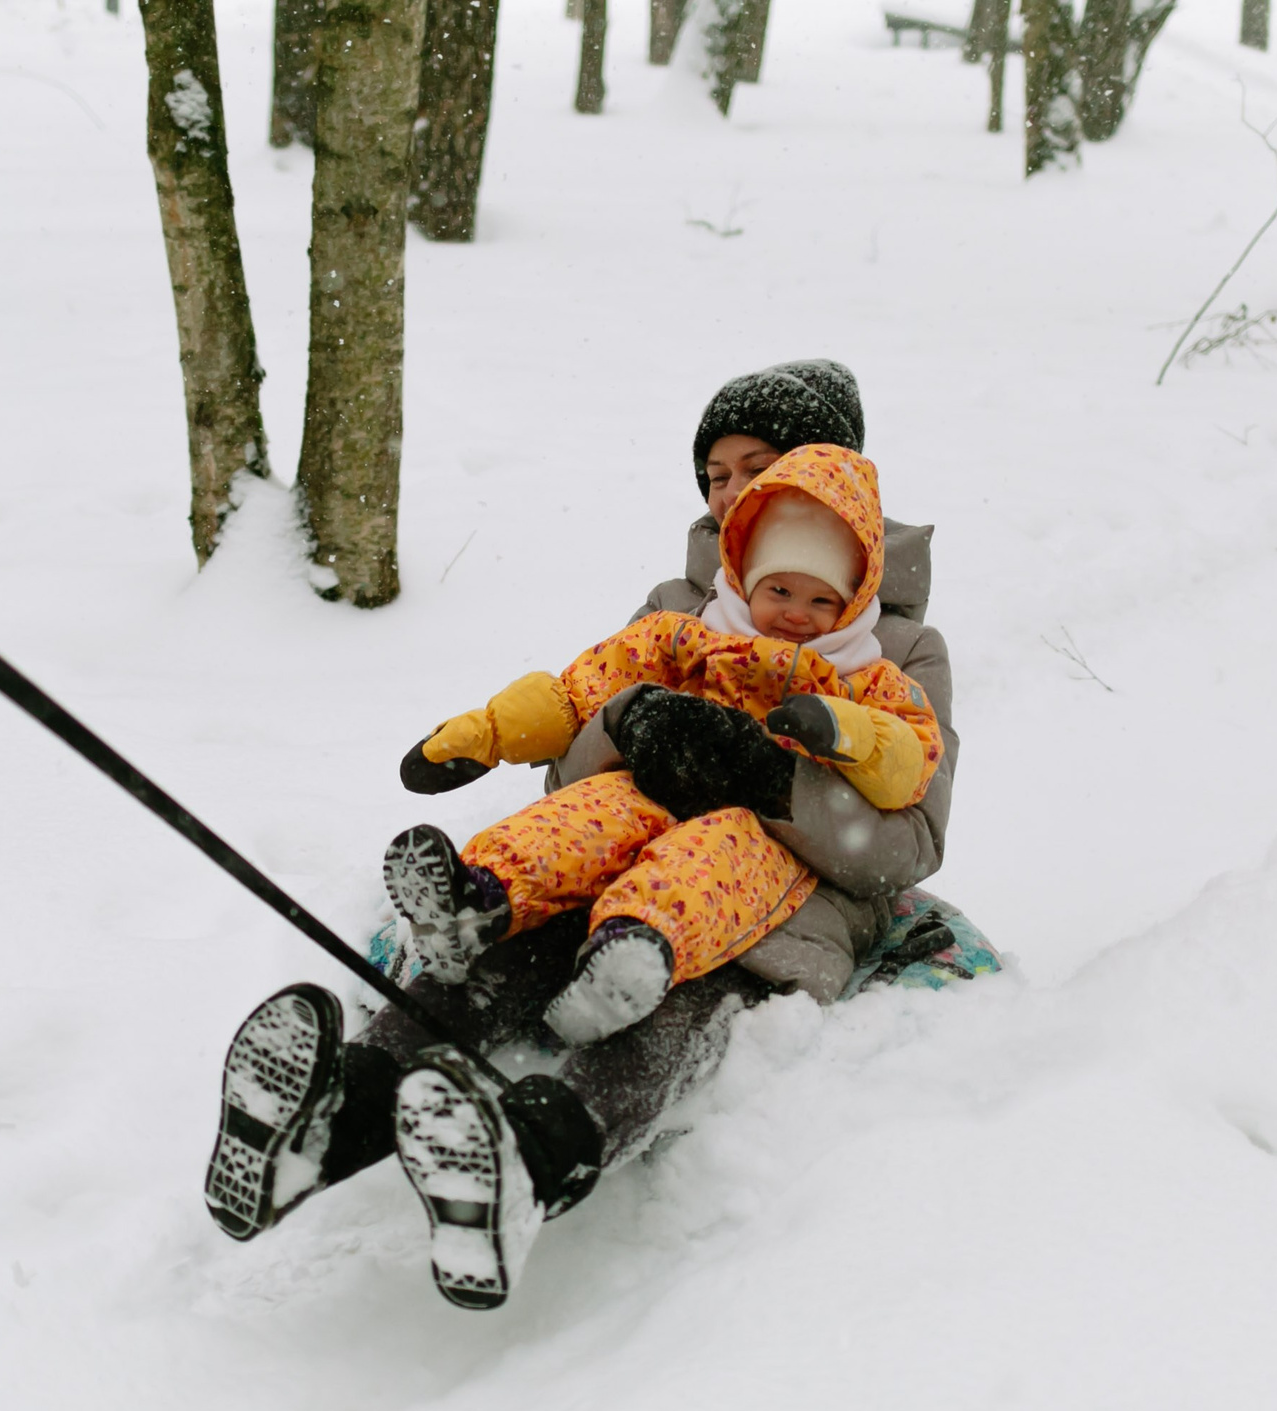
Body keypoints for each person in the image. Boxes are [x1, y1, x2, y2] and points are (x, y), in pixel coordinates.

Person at [202, 360, 961, 1312]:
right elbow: (572, 762)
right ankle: (330, 1122)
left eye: (752, 466)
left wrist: (765, 776)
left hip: (772, 905)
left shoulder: (898, 653)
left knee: (677, 1003)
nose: (725, 490)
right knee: (510, 950)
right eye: (714, 472)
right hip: (624, 858)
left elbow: (907, 843)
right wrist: (638, 727)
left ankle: (536, 1158)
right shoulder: (680, 611)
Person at [386, 442, 942, 1047]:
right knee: (590, 812)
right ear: (745, 571)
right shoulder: (686, 632)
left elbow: (909, 760)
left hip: (761, 833)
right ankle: (476, 897)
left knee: (713, 857)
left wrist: (839, 733)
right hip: (651, 796)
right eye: (778, 591)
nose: (796, 616)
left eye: (821, 601)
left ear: (852, 602)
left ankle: (630, 953)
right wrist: (489, 734)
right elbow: (580, 693)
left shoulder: (868, 673)